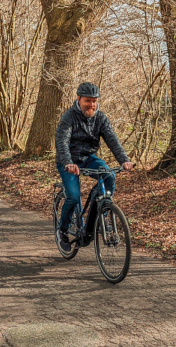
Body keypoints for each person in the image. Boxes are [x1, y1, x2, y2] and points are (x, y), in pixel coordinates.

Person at [55, 82, 134, 251]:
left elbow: (113, 140)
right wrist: (68, 163)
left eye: (94, 101)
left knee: (109, 175)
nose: (91, 104)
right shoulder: (68, 117)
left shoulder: (100, 118)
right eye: (88, 101)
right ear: (79, 99)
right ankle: (62, 230)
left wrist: (124, 160)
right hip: (68, 160)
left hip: (89, 158)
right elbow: (62, 143)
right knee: (74, 196)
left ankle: (101, 215)